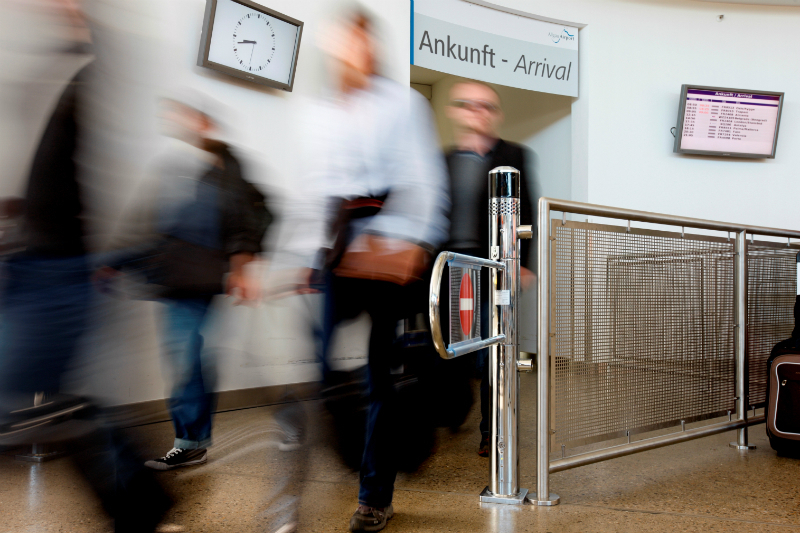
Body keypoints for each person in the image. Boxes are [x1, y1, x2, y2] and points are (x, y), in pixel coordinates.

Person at [300, 10, 448, 532]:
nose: (348, 53)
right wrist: (306, 255)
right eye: (341, 44)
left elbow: (424, 179)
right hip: (339, 248)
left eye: (356, 42)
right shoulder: (322, 113)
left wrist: (412, 242)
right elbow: (313, 189)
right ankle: (353, 445)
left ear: (370, 46)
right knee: (322, 367)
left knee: (380, 377)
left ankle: (374, 494)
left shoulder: (403, 104)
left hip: (388, 247)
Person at [102, 96, 271, 471]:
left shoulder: (226, 167)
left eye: (188, 117)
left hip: (197, 280)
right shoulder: (185, 169)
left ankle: (191, 442)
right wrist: (116, 260)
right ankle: (192, 439)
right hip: (178, 279)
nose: (179, 122)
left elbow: (250, 215)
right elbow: (162, 230)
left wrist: (243, 266)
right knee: (186, 358)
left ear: (205, 123)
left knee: (186, 358)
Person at [443, 80, 534, 457]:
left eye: (487, 106)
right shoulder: (444, 160)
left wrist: (522, 264)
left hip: (496, 265)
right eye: (469, 104)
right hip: (453, 267)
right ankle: (453, 409)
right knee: (455, 347)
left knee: (494, 351)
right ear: (456, 111)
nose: (478, 112)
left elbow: (525, 211)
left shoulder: (514, 155)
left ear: (496, 114)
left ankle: (490, 430)